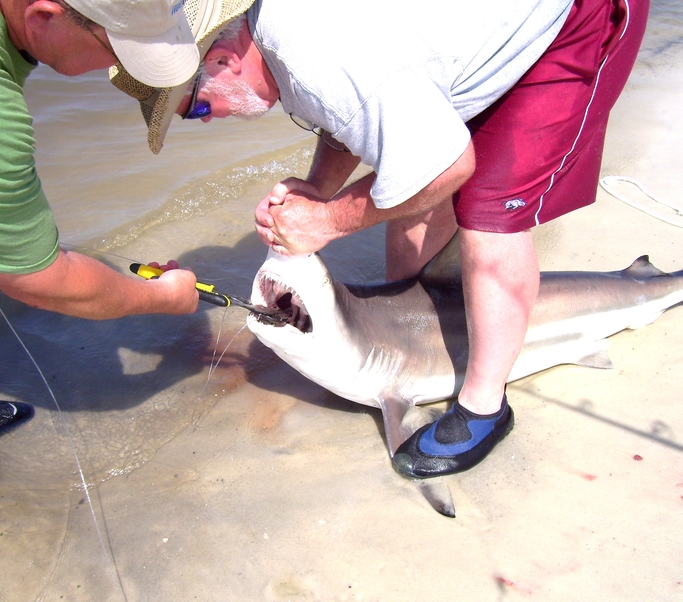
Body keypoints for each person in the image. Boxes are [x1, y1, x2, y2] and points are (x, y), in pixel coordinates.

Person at [110, 0, 649, 479]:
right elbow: (350, 113)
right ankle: (426, 309)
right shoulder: (277, 31)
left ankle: (485, 408)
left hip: (576, 18)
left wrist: (329, 222)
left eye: (198, 108)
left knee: (487, 214)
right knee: (407, 179)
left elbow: (443, 163)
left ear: (224, 58)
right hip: (490, 25)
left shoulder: (315, 53)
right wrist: (319, 191)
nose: (208, 121)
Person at [0, 0, 211, 461]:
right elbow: (38, 280)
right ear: (43, 17)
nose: (117, 70)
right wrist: (165, 297)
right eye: (118, 52)